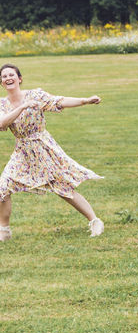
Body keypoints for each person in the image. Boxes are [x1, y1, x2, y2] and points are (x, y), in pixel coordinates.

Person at [0, 64, 104, 241]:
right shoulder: (2, 104)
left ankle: (94, 221)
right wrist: (23, 107)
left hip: (43, 147)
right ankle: (4, 231)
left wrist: (85, 101)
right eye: (4, 76)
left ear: (19, 79)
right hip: (22, 151)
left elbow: (59, 101)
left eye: (11, 75)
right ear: (1, 82)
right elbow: (2, 123)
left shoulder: (36, 95)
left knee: (63, 187)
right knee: (3, 187)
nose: (8, 78)